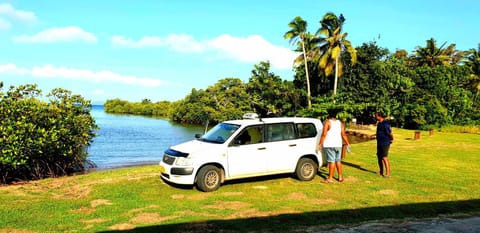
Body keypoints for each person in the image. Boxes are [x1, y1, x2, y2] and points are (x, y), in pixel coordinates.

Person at [318, 110, 350, 183]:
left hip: (330, 145)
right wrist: (348, 143)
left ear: (329, 115)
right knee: (338, 161)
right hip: (338, 145)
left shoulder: (327, 122)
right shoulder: (340, 123)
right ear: (336, 115)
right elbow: (343, 134)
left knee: (331, 161)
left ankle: (330, 178)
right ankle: (340, 177)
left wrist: (320, 144)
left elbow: (324, 134)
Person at [375, 112, 393, 178]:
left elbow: (390, 133)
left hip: (385, 143)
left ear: (380, 116)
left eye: (376, 116)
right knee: (379, 157)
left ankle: (388, 174)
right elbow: (379, 132)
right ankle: (381, 171)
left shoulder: (385, 124)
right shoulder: (379, 123)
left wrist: (392, 139)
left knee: (384, 157)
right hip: (379, 142)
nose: (375, 117)